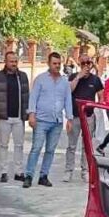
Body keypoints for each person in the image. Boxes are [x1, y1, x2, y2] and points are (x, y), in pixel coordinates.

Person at [24, 51, 73, 188]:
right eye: (54, 63)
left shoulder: (64, 82)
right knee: (36, 148)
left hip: (57, 122)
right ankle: (29, 175)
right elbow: (33, 97)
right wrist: (31, 114)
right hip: (41, 120)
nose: (57, 66)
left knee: (50, 150)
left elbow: (68, 101)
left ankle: (43, 176)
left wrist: (69, 118)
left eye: (59, 63)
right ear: (48, 64)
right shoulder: (40, 79)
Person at [0, 50, 30, 183]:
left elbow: (27, 95)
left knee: (19, 145)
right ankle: (4, 172)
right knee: (3, 144)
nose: (13, 64)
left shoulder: (23, 76)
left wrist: (27, 112)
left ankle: (18, 172)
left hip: (19, 117)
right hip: (4, 117)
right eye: (11, 61)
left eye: (15, 61)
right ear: (5, 62)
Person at [65, 56, 104, 181]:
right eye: (83, 63)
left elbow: (101, 96)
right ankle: (68, 171)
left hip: (89, 117)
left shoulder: (95, 79)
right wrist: (78, 77)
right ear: (80, 64)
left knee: (86, 145)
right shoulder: (73, 77)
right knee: (71, 145)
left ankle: (85, 171)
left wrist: (98, 108)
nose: (86, 65)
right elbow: (69, 90)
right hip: (75, 116)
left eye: (88, 63)